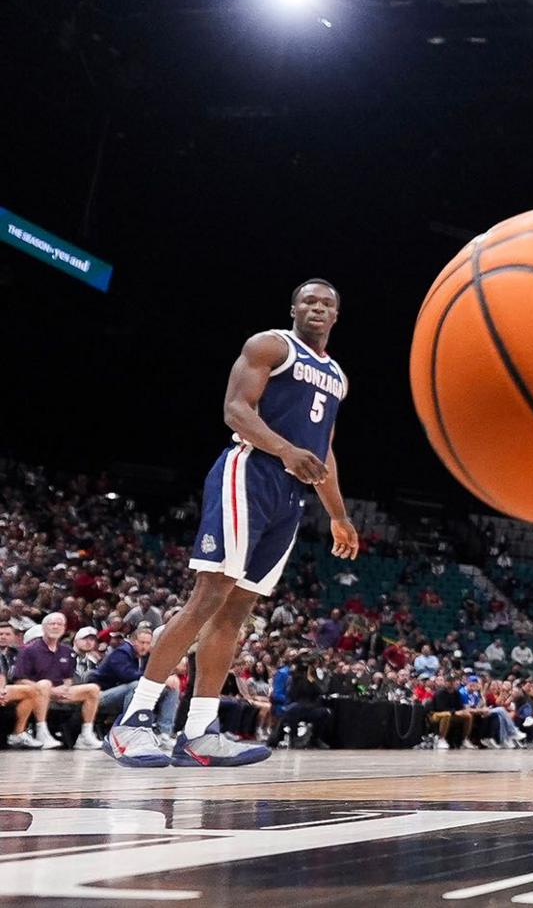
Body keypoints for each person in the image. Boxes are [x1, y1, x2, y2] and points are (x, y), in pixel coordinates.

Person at [105, 278, 360, 768]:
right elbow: (236, 410)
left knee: (237, 610)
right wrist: (285, 450)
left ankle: (200, 730)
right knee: (210, 595)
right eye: (309, 300)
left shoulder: (338, 376)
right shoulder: (269, 345)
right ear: (293, 308)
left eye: (327, 303)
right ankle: (133, 720)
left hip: (291, 494)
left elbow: (324, 448)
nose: (318, 307)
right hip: (250, 471)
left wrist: (339, 515)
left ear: (336, 316)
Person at [16, 613, 100, 747]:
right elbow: (20, 680)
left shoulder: (67, 651)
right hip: (37, 692)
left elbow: (68, 678)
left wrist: (65, 688)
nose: (56, 627)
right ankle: (41, 732)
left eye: (59, 624)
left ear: (64, 629)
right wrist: (51, 690)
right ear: (44, 627)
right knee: (44, 684)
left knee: (92, 689)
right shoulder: (29, 651)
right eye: (52, 624)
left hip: (60, 693)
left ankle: (86, 735)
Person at [93, 625, 181, 736]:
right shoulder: (121, 653)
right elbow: (128, 676)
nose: (145, 646)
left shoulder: (146, 656)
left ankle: (164, 732)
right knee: (136, 685)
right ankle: (129, 730)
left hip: (125, 694)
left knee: (171, 688)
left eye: (148, 643)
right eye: (142, 642)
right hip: (102, 695)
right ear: (133, 641)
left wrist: (168, 678)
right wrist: (161, 678)